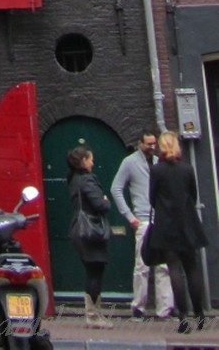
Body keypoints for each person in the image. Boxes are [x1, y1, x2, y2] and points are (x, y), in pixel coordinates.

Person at [148, 131, 207, 334]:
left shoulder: (157, 171)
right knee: (192, 269)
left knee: (174, 270)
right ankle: (199, 315)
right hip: (187, 224)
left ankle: (182, 319)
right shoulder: (187, 169)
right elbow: (193, 194)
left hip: (167, 226)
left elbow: (151, 198)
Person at [111, 129, 173, 319]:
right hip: (143, 219)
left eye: (154, 144)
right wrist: (129, 216)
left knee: (164, 266)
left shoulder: (158, 162)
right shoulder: (129, 162)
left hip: (161, 219)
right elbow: (116, 188)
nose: (152, 147)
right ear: (140, 143)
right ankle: (138, 307)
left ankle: (166, 309)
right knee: (142, 265)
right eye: (148, 144)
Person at [67, 145, 113, 327]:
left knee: (92, 270)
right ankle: (93, 316)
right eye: (90, 159)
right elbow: (100, 205)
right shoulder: (87, 180)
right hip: (91, 230)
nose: (93, 162)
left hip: (79, 228)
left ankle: (93, 313)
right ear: (83, 161)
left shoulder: (74, 180)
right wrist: (105, 201)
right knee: (95, 271)